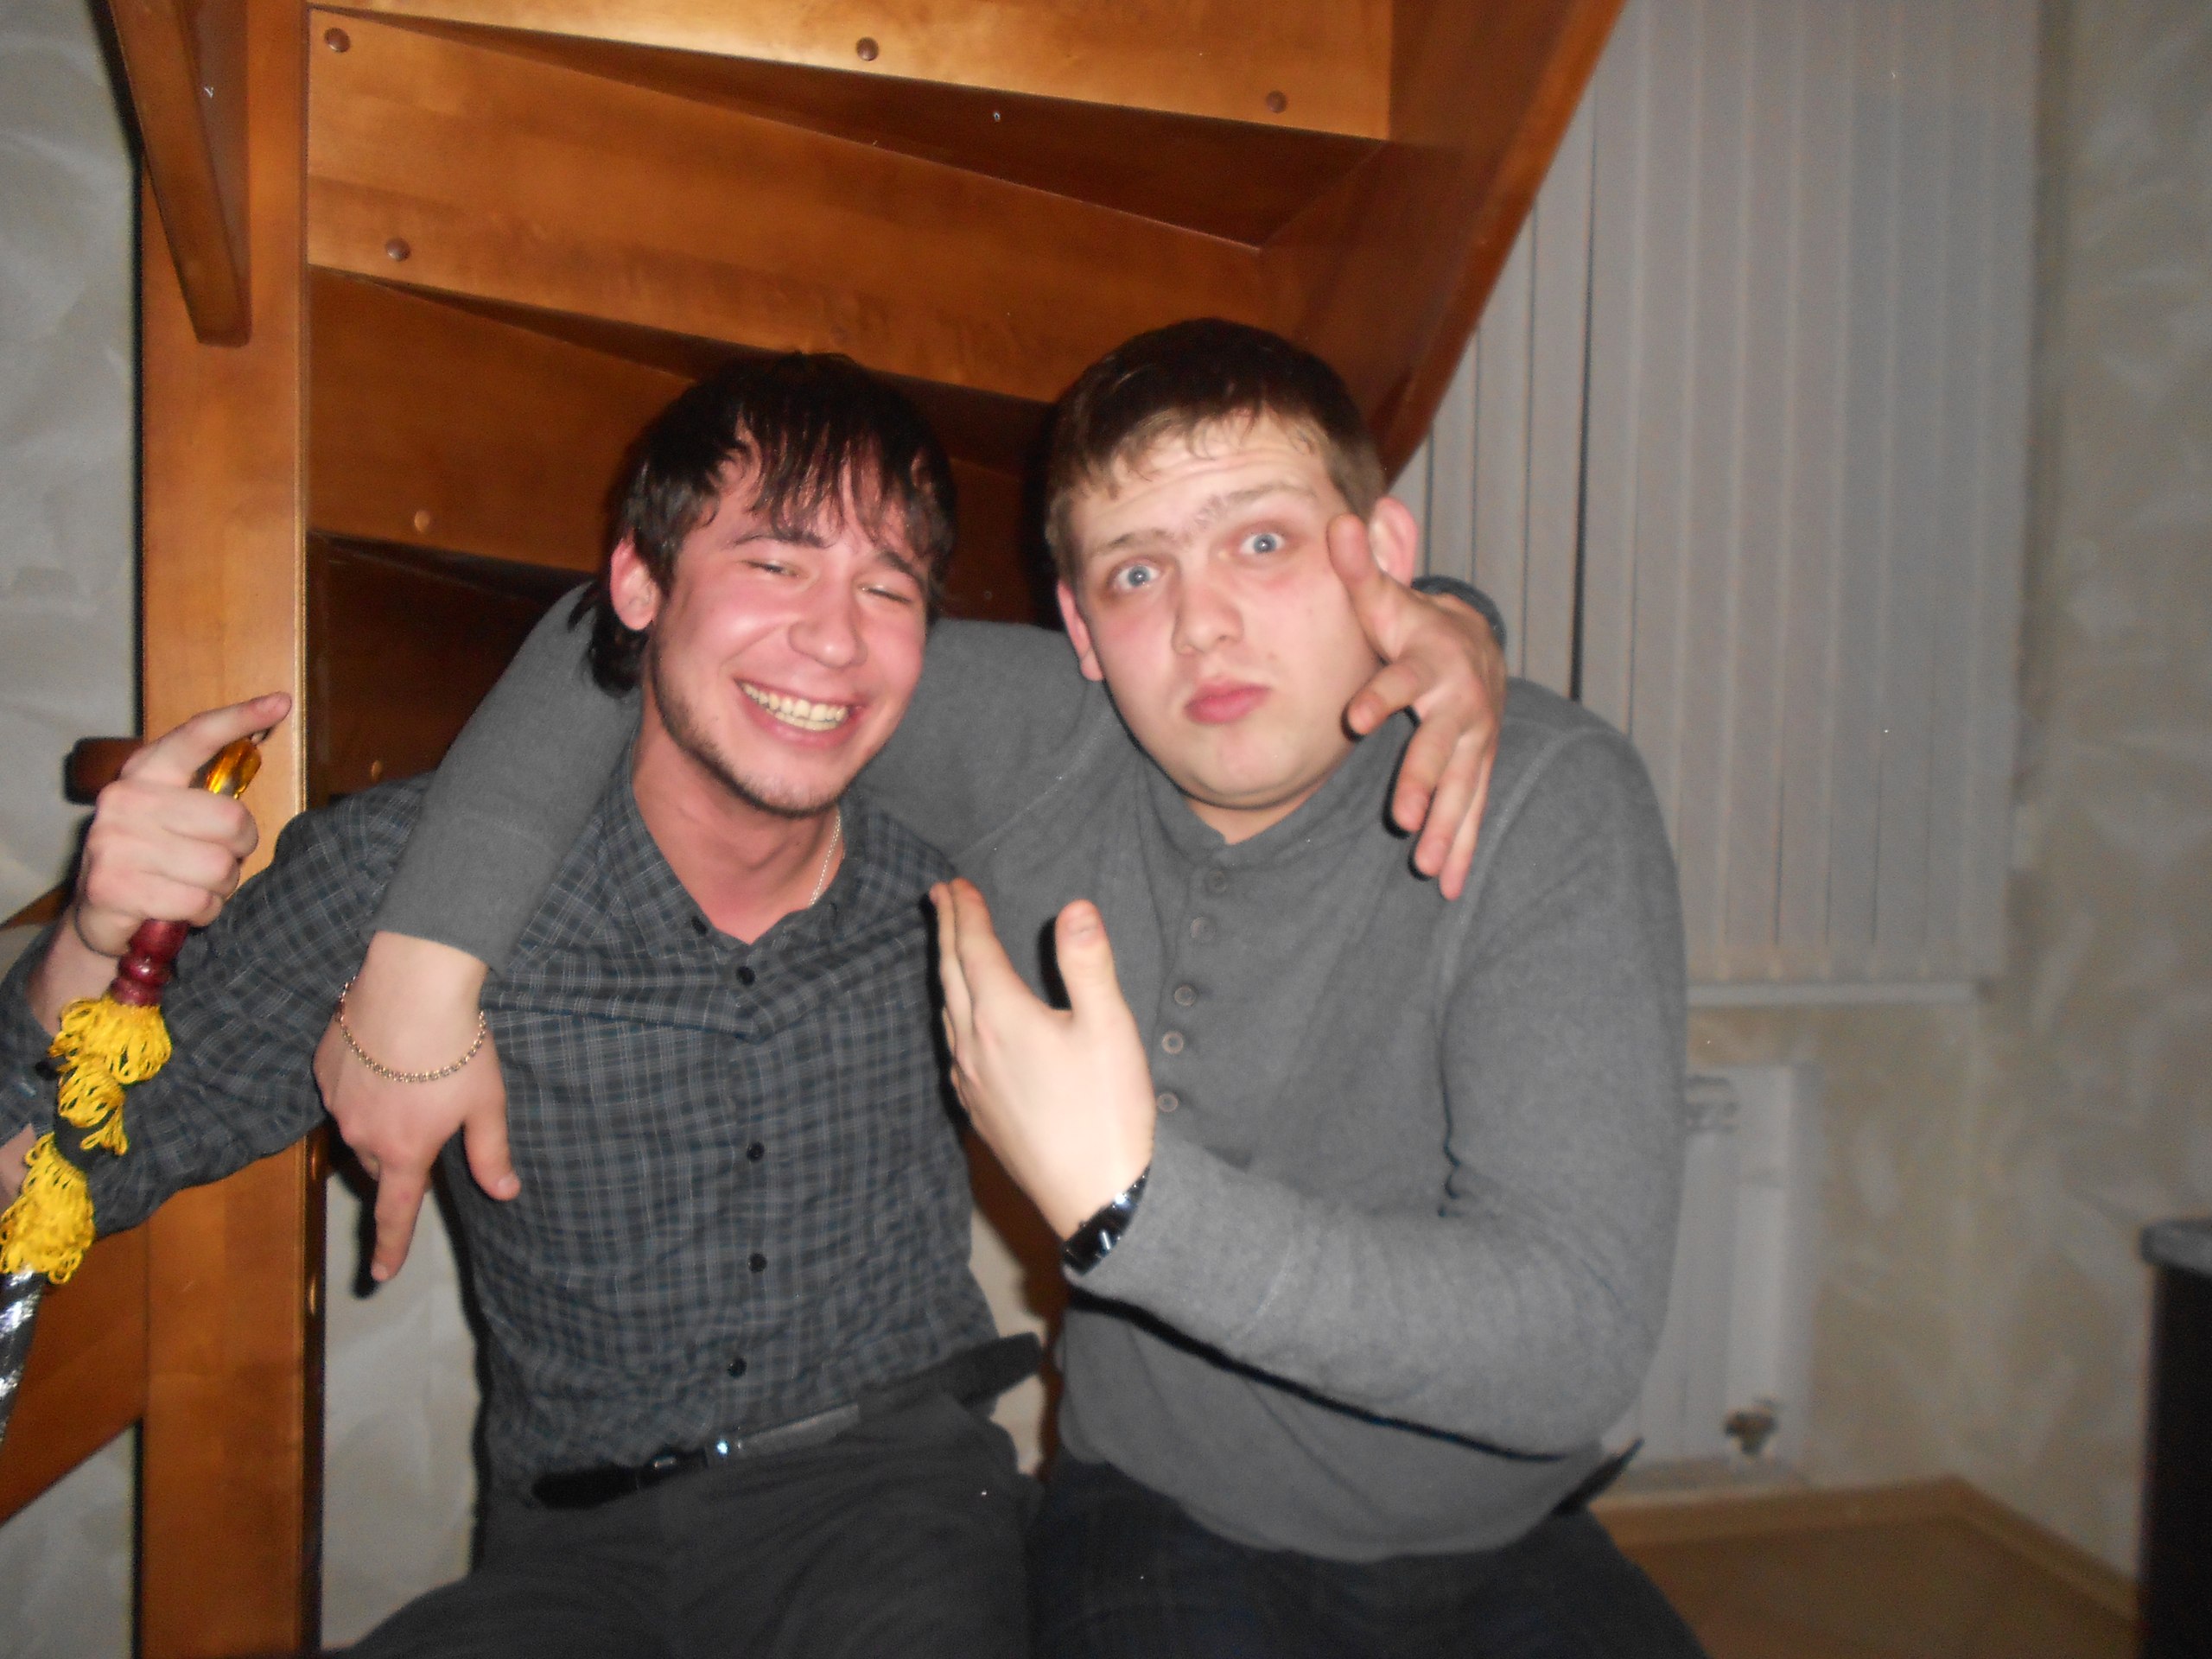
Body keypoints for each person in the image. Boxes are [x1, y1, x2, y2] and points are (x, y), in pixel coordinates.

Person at [0, 346, 1508, 1655]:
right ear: (639, 586)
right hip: (568, 1553)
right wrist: (87, 947)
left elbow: (1237, 723)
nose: (834, 639)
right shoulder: (409, 892)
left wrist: (1440, 615)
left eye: (888, 588)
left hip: (900, 1507)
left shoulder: (971, 866)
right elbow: (51, 1173)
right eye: (776, 564)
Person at [332, 320, 1704, 1657]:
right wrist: (422, 976)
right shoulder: (1045, 742)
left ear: (1384, 558)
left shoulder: (1546, 799)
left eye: (1264, 544)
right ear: (1081, 630)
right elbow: (647, 638)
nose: (1206, 625)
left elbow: (1569, 1346)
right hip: (1166, 1518)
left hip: (1506, 1536)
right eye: (1138, 573)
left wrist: (1135, 1204)